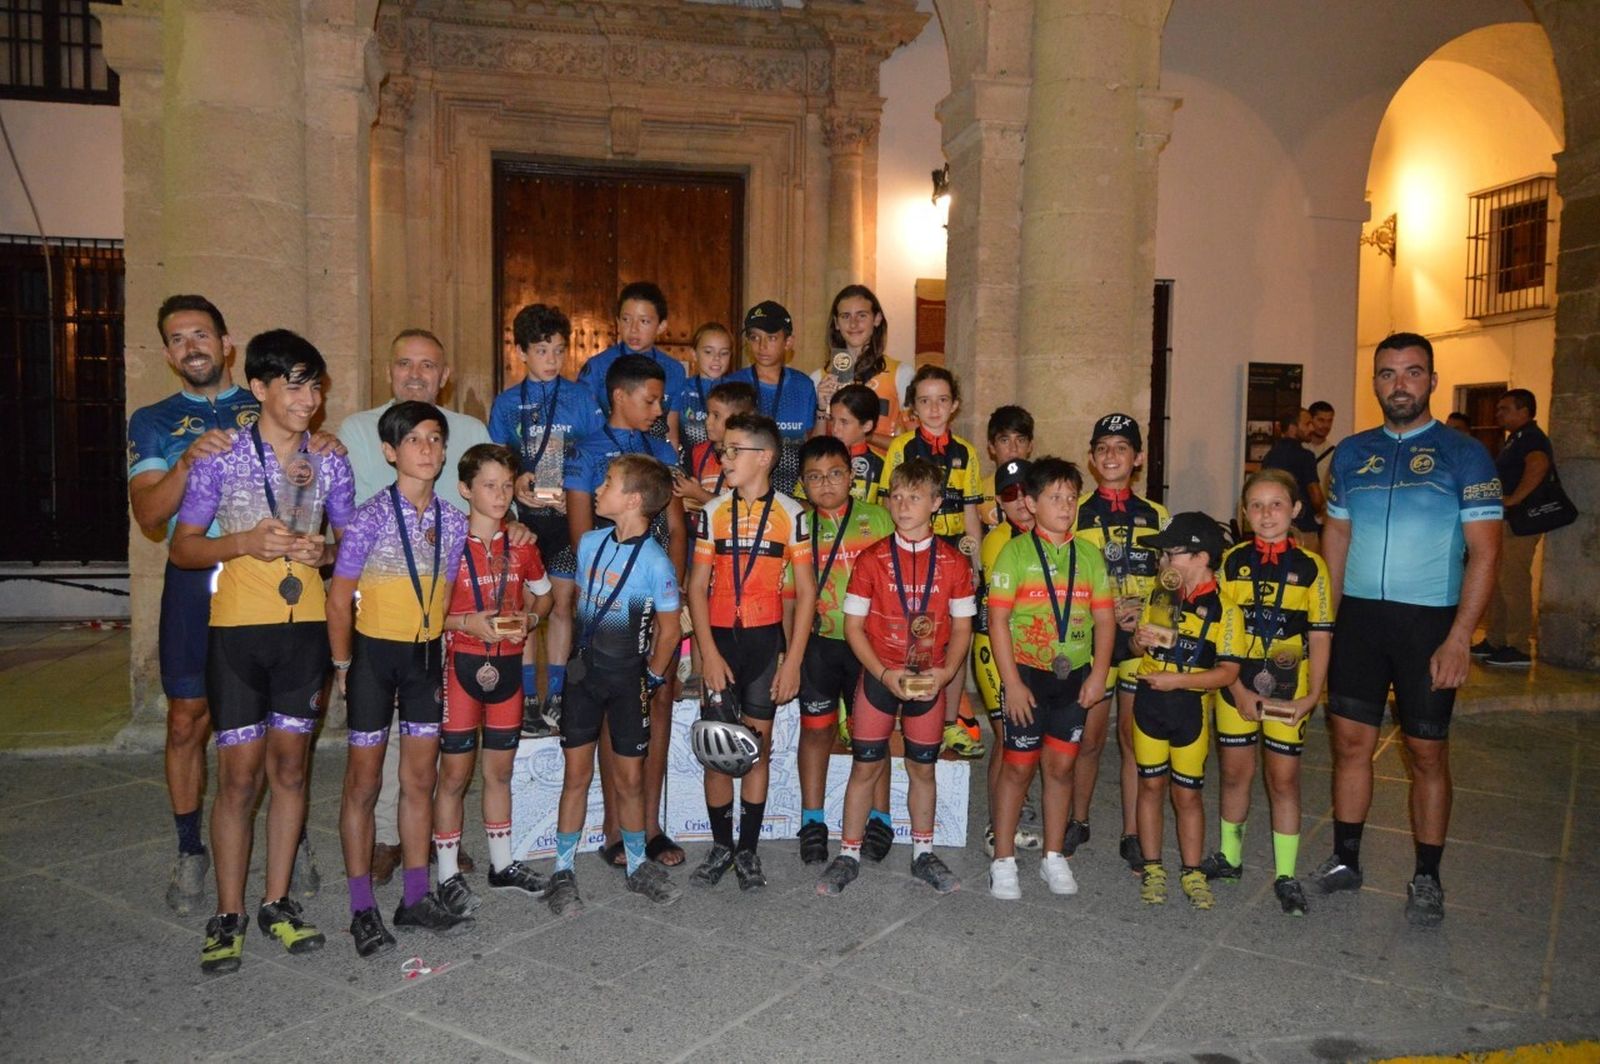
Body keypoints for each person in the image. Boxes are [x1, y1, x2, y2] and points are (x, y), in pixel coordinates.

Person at [168, 328, 355, 974]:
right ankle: (228, 912)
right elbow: (182, 546)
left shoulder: (330, 460)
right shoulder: (220, 458)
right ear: (259, 387)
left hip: (302, 633)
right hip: (238, 634)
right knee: (239, 779)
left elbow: (347, 545)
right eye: (295, 385)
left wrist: (322, 552)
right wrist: (242, 543)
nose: (309, 399)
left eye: (316, 385)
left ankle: (276, 902)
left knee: (292, 771)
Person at [1316, 332, 1502, 928]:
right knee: (1349, 744)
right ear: (1374, 381)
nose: (1399, 384)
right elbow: (1337, 538)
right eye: (1388, 373)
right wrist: (1327, 621)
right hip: (1361, 621)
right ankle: (1346, 859)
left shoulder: (1465, 454)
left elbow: (1486, 554)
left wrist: (1460, 638)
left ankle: (1427, 874)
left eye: (1412, 373)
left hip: (1429, 623)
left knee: (1426, 752)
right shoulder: (1350, 453)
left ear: (1432, 380)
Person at [338, 328, 492, 884]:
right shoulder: (358, 429)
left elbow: (488, 498)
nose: (416, 374)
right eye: (405, 363)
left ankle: (434, 835)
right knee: (382, 728)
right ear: (389, 372)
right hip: (381, 598)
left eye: (428, 366)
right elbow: (343, 508)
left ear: (444, 375)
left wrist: (514, 528)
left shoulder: (470, 430)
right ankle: (384, 837)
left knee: (444, 724)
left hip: (452, 596)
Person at [129, 295, 261, 916]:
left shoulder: (263, 405)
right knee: (187, 717)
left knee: (267, 715)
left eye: (202, 334)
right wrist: (185, 463)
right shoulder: (152, 420)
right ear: (167, 353)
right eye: (179, 339)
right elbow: (150, 517)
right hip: (192, 575)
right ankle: (189, 847)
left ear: (226, 341)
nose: (192, 347)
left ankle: (282, 835)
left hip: (262, 576)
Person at [328, 401, 472, 957]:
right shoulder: (368, 516)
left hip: (425, 662)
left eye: (436, 439)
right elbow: (339, 596)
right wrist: (342, 665)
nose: (428, 449)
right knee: (364, 785)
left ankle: (415, 897)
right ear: (390, 452)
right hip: (371, 659)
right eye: (415, 440)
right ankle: (362, 907)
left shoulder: (452, 520)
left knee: (420, 782)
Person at [817, 458, 975, 896]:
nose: (904, 506)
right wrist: (884, 673)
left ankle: (923, 852)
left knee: (922, 769)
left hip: (931, 680)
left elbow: (962, 628)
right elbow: (852, 627)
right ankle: (847, 854)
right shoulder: (870, 560)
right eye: (897, 496)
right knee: (865, 765)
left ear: (936, 503)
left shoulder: (953, 562)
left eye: (916, 497)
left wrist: (944, 675)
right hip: (880, 677)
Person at [545, 455, 685, 915]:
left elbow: (669, 631)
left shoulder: (656, 562)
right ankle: (562, 871)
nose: (598, 489)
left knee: (629, 781)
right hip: (584, 678)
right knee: (576, 776)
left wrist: (652, 677)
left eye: (607, 483)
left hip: (628, 683)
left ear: (633, 500)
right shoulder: (589, 544)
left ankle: (637, 865)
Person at [565, 354, 688, 868]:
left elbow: (678, 528)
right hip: (610, 601)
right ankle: (614, 829)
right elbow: (581, 536)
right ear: (620, 395)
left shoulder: (662, 448)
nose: (659, 408)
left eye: (662, 400)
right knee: (613, 710)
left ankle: (651, 826)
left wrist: (672, 600)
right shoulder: (585, 451)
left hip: (655, 593)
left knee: (654, 703)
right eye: (651, 399)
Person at [687, 413, 816, 889]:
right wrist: (708, 654)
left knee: (755, 751)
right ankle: (721, 846)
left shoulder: (793, 514)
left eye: (732, 450)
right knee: (717, 749)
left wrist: (795, 661)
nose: (723, 458)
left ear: (763, 457)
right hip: (721, 644)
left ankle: (748, 850)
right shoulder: (711, 512)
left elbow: (806, 594)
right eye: (722, 450)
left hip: (765, 647)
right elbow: (695, 587)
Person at [433, 443, 555, 918]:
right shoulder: (445, 543)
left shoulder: (523, 544)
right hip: (460, 668)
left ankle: (502, 864)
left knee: (499, 772)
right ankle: (447, 872)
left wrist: (530, 620)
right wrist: (466, 624)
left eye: (507, 485)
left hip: (507, 667)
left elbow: (544, 599)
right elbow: (428, 615)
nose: (501, 494)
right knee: (455, 776)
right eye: (489, 485)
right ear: (464, 489)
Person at [985, 458, 1115, 901]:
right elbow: (998, 621)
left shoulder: (1090, 556)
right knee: (1017, 768)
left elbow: (1105, 619)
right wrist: (1012, 683)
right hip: (1026, 678)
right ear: (1031, 503)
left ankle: (1053, 855)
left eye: (1071, 498)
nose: (1064, 506)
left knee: (1061, 769)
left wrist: (1099, 674)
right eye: (1054, 498)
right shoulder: (1015, 553)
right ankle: (1003, 860)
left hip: (1073, 681)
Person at [1205, 470, 1333, 917]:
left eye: (1276, 504)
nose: (1266, 514)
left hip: (1287, 690)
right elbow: (1217, 630)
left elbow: (1319, 636)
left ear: (1295, 509)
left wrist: (1311, 696)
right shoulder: (1232, 562)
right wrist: (1236, 688)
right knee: (1235, 776)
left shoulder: (1312, 567)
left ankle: (1285, 875)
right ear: (1244, 514)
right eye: (1255, 506)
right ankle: (1230, 858)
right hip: (1236, 687)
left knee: (1284, 781)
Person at [487, 304, 605, 736]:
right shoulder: (505, 403)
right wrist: (515, 480)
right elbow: (495, 460)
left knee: (561, 604)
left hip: (566, 519)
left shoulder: (581, 398)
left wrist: (577, 498)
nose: (553, 360)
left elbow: (598, 455)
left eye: (559, 350)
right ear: (520, 351)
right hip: (524, 522)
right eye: (541, 350)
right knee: (522, 608)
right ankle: (528, 700)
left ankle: (556, 693)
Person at [1126, 512, 1245, 911]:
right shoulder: (1160, 595)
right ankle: (1153, 865)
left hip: (1188, 711)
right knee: (1150, 786)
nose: (1163, 563)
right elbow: (1137, 650)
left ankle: (1192, 870)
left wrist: (1177, 681)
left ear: (1201, 556)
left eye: (1171, 554)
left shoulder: (1227, 611)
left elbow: (1228, 673)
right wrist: (1139, 643)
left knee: (1188, 794)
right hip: (1148, 706)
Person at [1071, 414, 1169, 870]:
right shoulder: (1074, 512)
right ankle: (1077, 818)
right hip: (1092, 638)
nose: (1112, 455)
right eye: (1103, 447)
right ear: (1091, 459)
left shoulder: (1158, 516)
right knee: (1088, 738)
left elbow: (1173, 583)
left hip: (1142, 641)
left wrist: (1151, 617)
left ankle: (1132, 831)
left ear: (1139, 458)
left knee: (1133, 737)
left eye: (1122, 447)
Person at [795, 435, 896, 866]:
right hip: (818, 645)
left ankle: (881, 815)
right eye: (815, 477)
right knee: (817, 730)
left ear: (851, 475)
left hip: (871, 648)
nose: (826, 484)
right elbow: (789, 595)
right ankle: (812, 818)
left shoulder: (879, 519)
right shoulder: (799, 526)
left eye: (835, 473)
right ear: (802, 483)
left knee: (872, 736)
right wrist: (790, 652)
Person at [878, 365, 986, 758]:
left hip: (953, 552)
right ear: (912, 407)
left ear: (954, 405)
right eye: (925, 400)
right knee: (902, 627)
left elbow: (972, 512)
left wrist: (974, 566)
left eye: (942, 400)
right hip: (909, 550)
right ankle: (892, 714)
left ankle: (950, 721)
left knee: (955, 632)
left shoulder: (968, 452)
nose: (934, 408)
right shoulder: (901, 448)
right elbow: (886, 503)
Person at [972, 458, 1041, 856]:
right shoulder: (999, 540)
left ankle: (1015, 807)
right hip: (994, 644)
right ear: (999, 501)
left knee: (1023, 735)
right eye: (1010, 495)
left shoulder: (1043, 534)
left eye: (1026, 492)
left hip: (1032, 643)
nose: (1020, 502)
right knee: (1005, 736)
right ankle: (996, 826)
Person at [1478, 388, 1551, 668]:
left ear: (1524, 411)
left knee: (1513, 582)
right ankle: (1495, 639)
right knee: (1497, 581)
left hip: (1521, 523)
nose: (1498, 414)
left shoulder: (1532, 438)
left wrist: (1514, 499)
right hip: (1507, 521)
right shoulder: (1515, 439)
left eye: (1505, 409)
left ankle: (1518, 646)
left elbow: (1538, 465)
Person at [576, 281, 688, 447]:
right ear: (618, 321)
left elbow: (671, 433)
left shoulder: (674, 370)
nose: (633, 329)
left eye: (644, 321)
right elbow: (582, 428)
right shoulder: (597, 367)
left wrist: (672, 468)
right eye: (626, 319)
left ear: (661, 326)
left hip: (653, 460)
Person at [726, 301, 817, 496]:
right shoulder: (733, 384)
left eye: (772, 338)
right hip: (743, 491)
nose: (762, 346)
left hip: (792, 492)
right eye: (754, 337)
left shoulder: (803, 385)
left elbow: (811, 440)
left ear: (788, 342)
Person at [811, 284, 913, 453]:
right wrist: (821, 409)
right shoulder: (819, 378)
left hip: (884, 476)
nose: (853, 324)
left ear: (877, 319)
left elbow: (914, 444)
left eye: (862, 316)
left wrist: (862, 435)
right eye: (845, 316)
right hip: (835, 475)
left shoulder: (902, 374)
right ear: (836, 323)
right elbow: (815, 450)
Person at [673, 380, 757, 513]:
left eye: (716, 416)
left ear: (741, 418)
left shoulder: (751, 458)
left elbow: (742, 507)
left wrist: (699, 494)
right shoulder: (697, 452)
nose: (708, 421)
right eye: (708, 414)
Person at [1260, 409, 1325, 553]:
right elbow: (1316, 497)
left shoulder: (1270, 456)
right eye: (1307, 424)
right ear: (1292, 428)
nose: (1312, 428)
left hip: (1274, 527)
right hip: (1303, 528)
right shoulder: (1305, 456)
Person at [679, 322, 735, 452]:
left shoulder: (737, 392)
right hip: (689, 466)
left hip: (726, 464)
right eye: (708, 352)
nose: (716, 358)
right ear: (694, 354)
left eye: (724, 353)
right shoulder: (682, 389)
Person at [825, 384, 886, 501]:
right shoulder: (818, 458)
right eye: (832, 419)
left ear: (867, 426)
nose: (835, 429)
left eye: (844, 422)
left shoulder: (881, 466)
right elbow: (805, 506)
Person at [979, 405, 1034, 527]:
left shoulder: (1043, 488)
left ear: (1030, 445)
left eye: (1021, 440)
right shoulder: (979, 492)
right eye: (1005, 440)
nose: (1013, 449)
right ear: (992, 447)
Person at [1305, 400, 1337, 490]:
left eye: (1329, 421)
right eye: (1321, 420)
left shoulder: (1335, 453)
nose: (1326, 425)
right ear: (1310, 420)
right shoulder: (1299, 448)